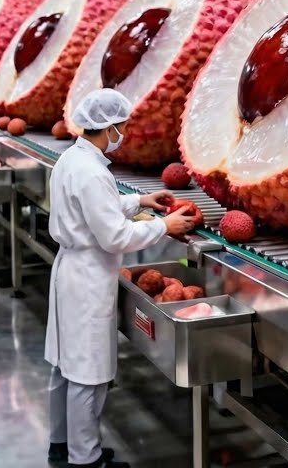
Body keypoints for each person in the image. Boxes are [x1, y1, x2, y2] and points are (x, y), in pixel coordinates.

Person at [45, 88, 197, 468]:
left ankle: (61, 444)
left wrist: (139, 202)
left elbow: (94, 208)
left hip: (70, 270)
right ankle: (86, 459)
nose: (124, 134)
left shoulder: (73, 159)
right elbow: (115, 236)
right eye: (123, 127)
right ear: (108, 128)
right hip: (89, 276)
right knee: (88, 373)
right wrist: (165, 225)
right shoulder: (93, 172)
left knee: (66, 365)